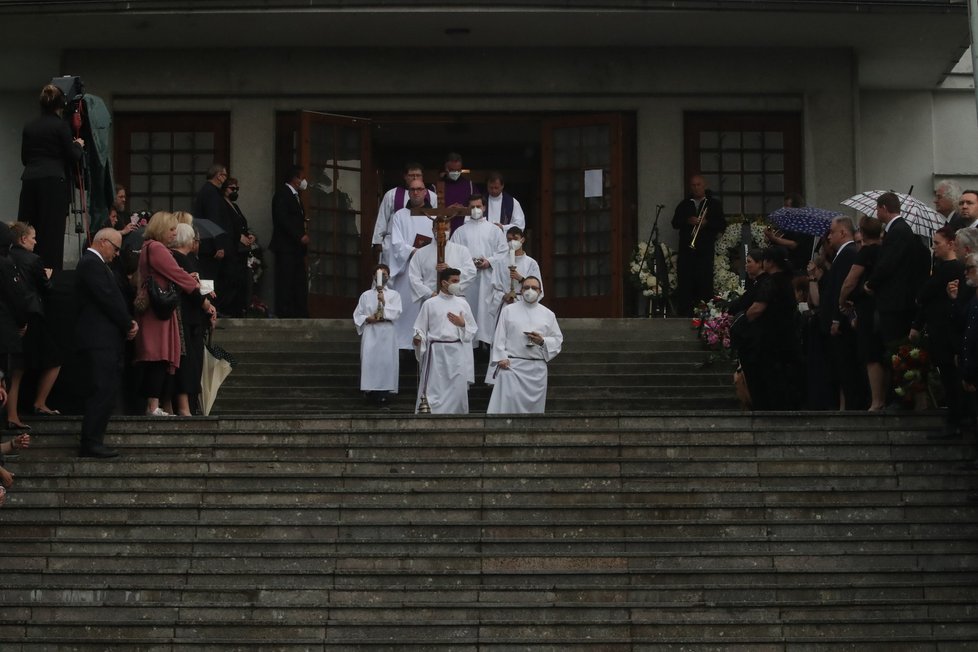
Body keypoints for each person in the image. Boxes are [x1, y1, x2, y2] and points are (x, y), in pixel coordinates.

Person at [75, 228, 138, 458]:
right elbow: (107, 298)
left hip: (106, 338)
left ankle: (94, 439)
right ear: (103, 242)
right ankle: (91, 441)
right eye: (116, 247)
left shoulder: (97, 265)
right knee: (101, 389)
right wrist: (127, 322)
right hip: (98, 338)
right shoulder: (91, 263)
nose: (117, 254)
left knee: (107, 389)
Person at [133, 212, 201, 416]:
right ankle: (153, 406)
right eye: (171, 229)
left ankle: (154, 405)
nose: (174, 233)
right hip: (158, 312)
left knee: (158, 356)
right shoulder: (157, 248)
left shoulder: (148, 247)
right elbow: (175, 272)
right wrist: (194, 285)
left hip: (153, 308)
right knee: (159, 355)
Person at [18, 84, 85, 271]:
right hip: (53, 181)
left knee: (27, 228)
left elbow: (25, 159)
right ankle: (49, 274)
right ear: (60, 104)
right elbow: (72, 156)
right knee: (51, 233)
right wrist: (78, 145)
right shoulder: (60, 126)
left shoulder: (29, 126)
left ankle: (23, 269)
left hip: (30, 179)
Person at [912, 226, 965, 435]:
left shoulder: (951, 268)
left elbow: (924, 295)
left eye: (937, 244)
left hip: (945, 332)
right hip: (938, 329)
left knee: (951, 379)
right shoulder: (943, 267)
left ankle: (956, 420)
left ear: (951, 244)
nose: (934, 248)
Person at [5, 223, 60, 430]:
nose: (36, 241)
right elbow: (47, 288)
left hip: (13, 318)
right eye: (33, 237)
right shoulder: (33, 260)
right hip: (33, 316)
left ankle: (12, 414)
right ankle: (39, 402)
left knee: (16, 369)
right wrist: (48, 276)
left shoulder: (7, 258)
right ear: (23, 239)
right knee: (54, 359)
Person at [487, 276, 563, 414]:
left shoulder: (548, 314)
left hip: (536, 369)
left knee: (534, 410)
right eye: (526, 287)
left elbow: (557, 340)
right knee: (507, 406)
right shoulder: (509, 310)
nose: (530, 290)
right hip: (512, 366)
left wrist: (542, 341)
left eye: (534, 288)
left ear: (540, 291)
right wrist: (501, 357)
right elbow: (499, 336)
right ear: (520, 290)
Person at [863, 192, 931, 348]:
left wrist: (871, 284)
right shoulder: (896, 230)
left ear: (884, 208)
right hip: (897, 299)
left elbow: (888, 263)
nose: (876, 212)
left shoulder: (898, 230)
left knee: (893, 344)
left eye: (877, 208)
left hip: (895, 301)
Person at [741, 247, 801, 410]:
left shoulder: (772, 281)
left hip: (771, 337)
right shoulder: (786, 280)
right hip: (785, 335)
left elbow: (757, 308)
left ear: (769, 262)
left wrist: (742, 320)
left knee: (771, 376)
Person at [412, 267, 477, 414]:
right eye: (454, 281)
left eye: (459, 281)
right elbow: (420, 328)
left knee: (457, 386)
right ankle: (431, 412)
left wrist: (462, 324)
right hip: (436, 351)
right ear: (444, 283)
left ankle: (457, 414)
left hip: (456, 350)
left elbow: (472, 329)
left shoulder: (463, 303)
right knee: (435, 386)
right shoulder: (430, 304)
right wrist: (418, 338)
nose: (458, 284)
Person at [169, 222, 217, 416]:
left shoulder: (182, 259)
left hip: (190, 318)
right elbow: (194, 289)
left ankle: (188, 405)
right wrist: (208, 306)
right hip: (189, 319)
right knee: (190, 364)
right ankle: (187, 406)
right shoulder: (182, 259)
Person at [450, 194, 508, 351]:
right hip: (467, 280)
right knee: (470, 309)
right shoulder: (460, 232)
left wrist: (489, 261)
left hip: (487, 277)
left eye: (478, 206)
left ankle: (486, 344)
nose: (475, 210)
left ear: (484, 207)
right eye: (472, 207)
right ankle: (471, 345)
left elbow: (503, 252)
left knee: (485, 311)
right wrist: (467, 265)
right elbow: (453, 253)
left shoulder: (494, 230)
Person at [838, 215, 884, 410]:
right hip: (882, 307)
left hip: (867, 308)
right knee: (882, 354)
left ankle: (876, 401)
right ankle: (883, 397)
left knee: (871, 355)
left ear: (863, 234)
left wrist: (842, 300)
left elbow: (850, 280)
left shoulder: (865, 253)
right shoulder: (885, 251)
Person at [671, 174, 726, 316]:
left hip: (705, 250)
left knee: (704, 281)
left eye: (698, 185)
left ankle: (705, 314)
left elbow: (722, 224)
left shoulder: (713, 204)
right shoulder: (684, 204)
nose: (696, 188)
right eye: (693, 185)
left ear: (704, 185)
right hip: (686, 251)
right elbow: (675, 223)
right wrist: (688, 221)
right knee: (685, 282)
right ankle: (685, 314)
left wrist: (707, 223)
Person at [353, 264, 402, 406]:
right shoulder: (366, 295)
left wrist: (384, 303)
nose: (382, 277)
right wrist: (368, 318)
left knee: (386, 361)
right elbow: (358, 314)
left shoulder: (394, 294)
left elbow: (397, 312)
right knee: (371, 361)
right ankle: (370, 391)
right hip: (372, 330)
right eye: (379, 274)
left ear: (389, 276)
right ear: (374, 277)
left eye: (385, 274)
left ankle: (384, 393)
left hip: (387, 330)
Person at [372, 162, 438, 264]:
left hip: (423, 243)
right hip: (395, 245)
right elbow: (382, 218)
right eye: (411, 175)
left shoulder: (432, 196)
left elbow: (436, 219)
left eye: (418, 175)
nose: (415, 178)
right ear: (405, 176)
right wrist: (377, 242)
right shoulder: (392, 194)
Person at [269, 165, 309, 318]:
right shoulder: (282, 194)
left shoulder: (295, 196)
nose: (304, 181)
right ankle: (284, 311)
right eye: (302, 177)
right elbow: (283, 219)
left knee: (298, 280)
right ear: (295, 178)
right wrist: (299, 235)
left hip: (295, 248)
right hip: (286, 246)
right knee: (285, 279)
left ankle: (299, 311)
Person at [217, 177, 254, 317]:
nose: (235, 191)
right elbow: (226, 226)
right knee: (230, 279)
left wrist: (249, 235)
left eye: (237, 189)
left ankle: (238, 309)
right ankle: (227, 308)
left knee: (240, 280)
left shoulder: (235, 206)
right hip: (232, 248)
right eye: (232, 188)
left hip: (241, 250)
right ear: (224, 189)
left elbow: (240, 225)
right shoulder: (222, 205)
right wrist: (239, 237)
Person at [192, 164, 230, 291]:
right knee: (209, 279)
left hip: (207, 242)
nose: (226, 178)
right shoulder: (211, 192)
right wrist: (219, 245)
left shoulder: (207, 190)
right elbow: (213, 220)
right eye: (225, 175)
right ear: (218, 176)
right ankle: (209, 307)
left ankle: (210, 306)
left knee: (208, 278)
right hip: (210, 245)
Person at [431, 152, 479, 234]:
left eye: (458, 170)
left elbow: (479, 208)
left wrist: (466, 210)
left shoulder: (469, 185)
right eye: (452, 170)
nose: (456, 172)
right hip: (443, 231)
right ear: (446, 169)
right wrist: (447, 211)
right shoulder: (436, 187)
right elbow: (430, 213)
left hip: (466, 231)